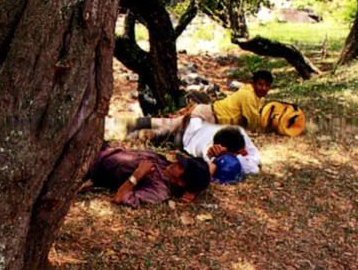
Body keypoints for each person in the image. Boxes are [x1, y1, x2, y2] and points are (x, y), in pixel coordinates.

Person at [127, 70, 273, 140]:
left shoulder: (256, 97)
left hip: (207, 115)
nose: (263, 88)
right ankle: (127, 132)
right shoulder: (248, 94)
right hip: (206, 116)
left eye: (267, 86)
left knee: (167, 125)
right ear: (254, 83)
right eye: (260, 84)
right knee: (169, 134)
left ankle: (130, 126)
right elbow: (253, 121)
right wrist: (264, 130)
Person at [80, 145, 211, 207]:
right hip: (100, 146)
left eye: (181, 167)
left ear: (181, 182)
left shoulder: (159, 191)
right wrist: (194, 192)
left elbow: (119, 198)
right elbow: (210, 170)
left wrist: (138, 175)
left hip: (88, 164)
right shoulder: (166, 164)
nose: (176, 163)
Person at [181, 119, 260, 178]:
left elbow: (256, 163)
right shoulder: (208, 152)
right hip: (185, 129)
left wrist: (237, 158)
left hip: (202, 122)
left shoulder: (239, 133)